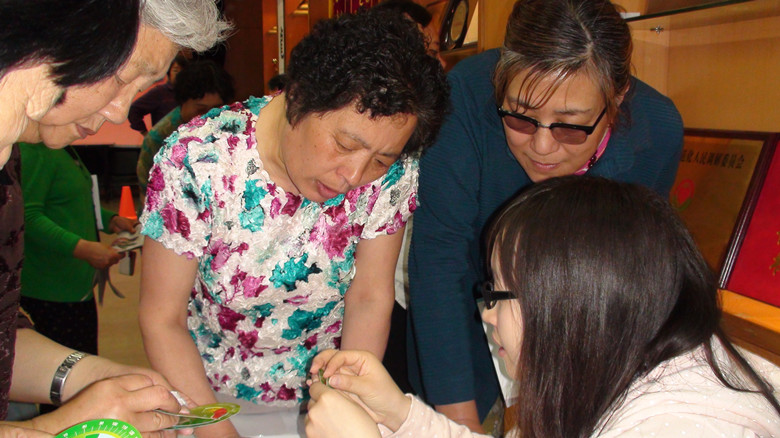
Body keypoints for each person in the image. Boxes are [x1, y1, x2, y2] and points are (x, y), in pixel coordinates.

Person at [138, 7, 448, 438]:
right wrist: (214, 427)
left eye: (380, 159)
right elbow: (162, 317)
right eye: (344, 144)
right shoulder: (197, 159)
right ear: (298, 97)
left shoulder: (393, 173)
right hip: (207, 391)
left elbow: (369, 296)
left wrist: (344, 407)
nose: (354, 176)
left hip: (325, 391)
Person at [307, 176, 780, 438]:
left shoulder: (678, 427)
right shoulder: (616, 366)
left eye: (498, 294)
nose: (486, 313)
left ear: (570, 304)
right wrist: (399, 414)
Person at [406, 0, 685, 431]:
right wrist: (458, 424)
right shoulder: (463, 99)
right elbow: (439, 263)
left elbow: (631, 287)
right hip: (466, 325)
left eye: (570, 126)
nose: (541, 147)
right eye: (520, 118)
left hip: (586, 343)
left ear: (617, 96)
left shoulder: (656, 131)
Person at [0, 0, 231, 432]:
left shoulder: (13, 158)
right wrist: (55, 428)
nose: (119, 112)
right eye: (122, 78)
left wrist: (94, 378)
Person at [19, 141, 138, 357]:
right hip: (52, 288)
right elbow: (27, 217)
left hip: (76, 283)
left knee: (83, 355)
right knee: (68, 363)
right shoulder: (33, 152)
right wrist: (82, 248)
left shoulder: (61, 148)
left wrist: (110, 219)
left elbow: (73, 201)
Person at [136, 60, 235, 197]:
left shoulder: (229, 130)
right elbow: (149, 194)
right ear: (182, 101)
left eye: (216, 109)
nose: (209, 117)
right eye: (201, 109)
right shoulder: (159, 138)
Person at [128, 54, 190, 137]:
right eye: (176, 70)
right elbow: (134, 110)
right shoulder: (160, 92)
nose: (179, 75)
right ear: (169, 72)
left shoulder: (192, 94)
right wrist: (146, 134)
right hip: (163, 141)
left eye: (183, 71)